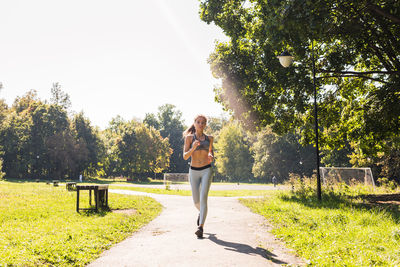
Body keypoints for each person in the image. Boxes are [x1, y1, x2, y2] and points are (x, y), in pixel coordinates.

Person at [183, 114, 214, 239]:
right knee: (196, 201)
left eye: (203, 122)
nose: (201, 124)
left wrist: (211, 156)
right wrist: (193, 147)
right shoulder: (189, 138)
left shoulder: (210, 138)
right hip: (194, 171)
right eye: (198, 122)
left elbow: (211, 153)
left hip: (207, 170)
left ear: (205, 125)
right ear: (194, 123)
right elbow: (185, 156)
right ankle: (201, 213)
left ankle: (200, 227)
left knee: (203, 198)